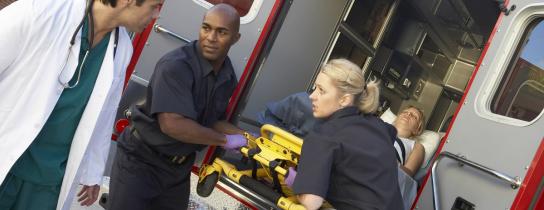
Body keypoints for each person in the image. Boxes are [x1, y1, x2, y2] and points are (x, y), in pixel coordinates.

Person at [0, 0, 163, 209]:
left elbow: (105, 114)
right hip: (7, 160)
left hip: (48, 184)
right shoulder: (38, 12)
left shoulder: (121, 49)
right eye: (155, 5)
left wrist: (93, 172)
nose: (157, 15)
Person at [107, 4, 248, 210]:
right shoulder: (176, 65)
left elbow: (212, 121)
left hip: (177, 170)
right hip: (141, 162)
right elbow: (172, 125)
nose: (210, 37)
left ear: (236, 38)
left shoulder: (227, 75)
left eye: (222, 32)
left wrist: (248, 139)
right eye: (206, 28)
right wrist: (225, 140)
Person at [287, 59, 403, 210]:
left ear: (344, 100)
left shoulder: (323, 136)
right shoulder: (381, 127)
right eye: (315, 88)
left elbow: (312, 202)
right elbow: (391, 133)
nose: (312, 96)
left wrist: (295, 181)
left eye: (321, 90)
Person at [393, 106, 426, 177]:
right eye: (405, 112)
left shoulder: (416, 146)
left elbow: (408, 175)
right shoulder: (380, 127)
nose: (408, 114)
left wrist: (390, 160)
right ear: (396, 119)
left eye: (414, 116)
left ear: (417, 129)